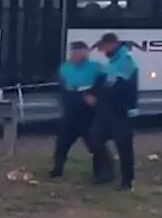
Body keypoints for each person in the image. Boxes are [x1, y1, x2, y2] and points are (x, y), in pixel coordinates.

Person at [50, 40, 104, 179]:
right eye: (74, 53)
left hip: (90, 114)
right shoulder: (64, 69)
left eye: (80, 52)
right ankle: (57, 169)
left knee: (96, 145)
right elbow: (62, 90)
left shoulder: (96, 68)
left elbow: (102, 87)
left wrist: (93, 96)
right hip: (72, 111)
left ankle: (102, 173)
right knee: (62, 143)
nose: (76, 55)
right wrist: (79, 96)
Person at [93, 32, 140, 190]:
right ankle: (107, 171)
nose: (103, 50)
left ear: (112, 44)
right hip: (108, 110)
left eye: (104, 46)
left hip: (121, 111)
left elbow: (124, 88)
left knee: (124, 147)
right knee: (95, 138)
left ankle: (127, 180)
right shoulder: (112, 62)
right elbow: (103, 82)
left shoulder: (126, 62)